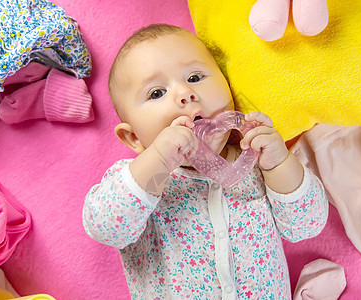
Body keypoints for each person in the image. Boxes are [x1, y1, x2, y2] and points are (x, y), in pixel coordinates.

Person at [82, 23, 329, 299]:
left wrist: (279, 164)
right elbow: (105, 227)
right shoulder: (139, 183)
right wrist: (159, 160)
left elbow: (308, 225)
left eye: (196, 77)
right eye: (157, 93)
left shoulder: (256, 164)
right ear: (133, 138)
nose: (185, 94)